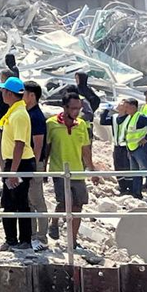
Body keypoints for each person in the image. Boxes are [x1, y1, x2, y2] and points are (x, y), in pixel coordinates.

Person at [45, 92, 98, 248]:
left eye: (78, 109)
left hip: (77, 170)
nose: (76, 112)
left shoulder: (81, 125)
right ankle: (54, 221)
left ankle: (72, 240)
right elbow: (47, 148)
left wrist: (92, 170)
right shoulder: (51, 124)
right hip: (58, 169)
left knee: (78, 205)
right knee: (63, 201)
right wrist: (43, 170)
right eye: (73, 108)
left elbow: (86, 149)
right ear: (65, 107)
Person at [0, 76, 35, 250]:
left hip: (19, 163)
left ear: (9, 93)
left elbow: (19, 144)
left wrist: (13, 172)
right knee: (10, 201)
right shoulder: (14, 110)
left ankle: (24, 240)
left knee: (19, 202)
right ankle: (11, 239)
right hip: (14, 162)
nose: (1, 94)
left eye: (3, 91)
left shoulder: (19, 114)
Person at [23, 81, 49, 251]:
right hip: (30, 162)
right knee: (29, 201)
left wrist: (34, 165)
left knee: (37, 200)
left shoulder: (37, 117)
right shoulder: (28, 113)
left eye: (24, 93)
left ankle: (42, 236)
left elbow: (38, 144)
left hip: (35, 162)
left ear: (32, 95)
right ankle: (32, 235)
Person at [120, 98, 147, 199]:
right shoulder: (130, 118)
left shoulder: (140, 117)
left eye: (127, 107)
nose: (125, 110)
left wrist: (146, 138)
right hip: (132, 148)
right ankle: (137, 193)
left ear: (133, 107)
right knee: (135, 173)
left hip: (140, 148)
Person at [101, 100, 133, 195]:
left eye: (121, 104)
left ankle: (130, 187)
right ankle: (122, 187)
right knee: (118, 166)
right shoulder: (114, 117)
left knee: (127, 166)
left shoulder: (129, 118)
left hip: (126, 147)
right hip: (117, 146)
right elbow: (103, 121)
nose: (118, 105)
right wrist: (106, 110)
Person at [74, 72, 101, 138]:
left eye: (78, 78)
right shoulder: (76, 89)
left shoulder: (87, 89)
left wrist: (90, 108)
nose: (76, 80)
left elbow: (96, 100)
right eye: (76, 78)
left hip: (87, 115)